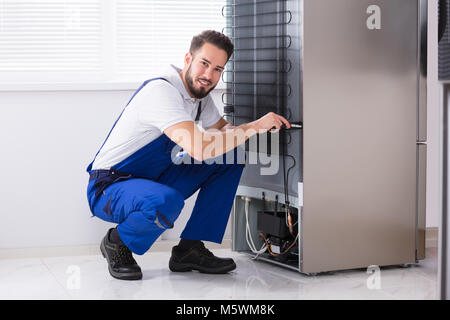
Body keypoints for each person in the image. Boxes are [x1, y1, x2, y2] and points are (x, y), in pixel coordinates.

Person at [86, 30, 290, 280]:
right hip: (111, 186)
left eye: (217, 69)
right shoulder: (161, 91)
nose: (209, 75)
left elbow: (227, 133)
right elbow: (201, 148)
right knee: (165, 200)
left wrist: (265, 124)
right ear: (188, 59)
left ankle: (189, 249)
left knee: (230, 157)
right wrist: (255, 126)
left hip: (153, 178)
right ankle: (117, 243)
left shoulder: (199, 98)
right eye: (204, 63)